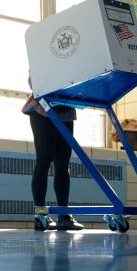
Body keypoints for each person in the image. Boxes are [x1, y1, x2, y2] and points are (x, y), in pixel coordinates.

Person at [22, 77, 82, 231]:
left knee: (62, 163)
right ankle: (40, 215)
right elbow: (33, 80)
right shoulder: (42, 55)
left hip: (65, 108)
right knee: (44, 160)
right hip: (42, 108)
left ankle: (63, 216)